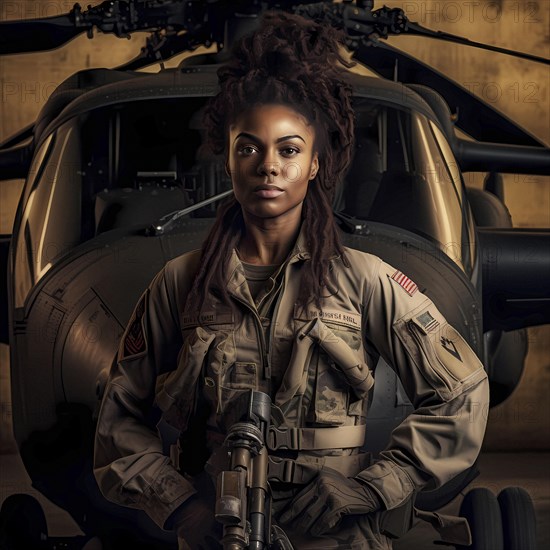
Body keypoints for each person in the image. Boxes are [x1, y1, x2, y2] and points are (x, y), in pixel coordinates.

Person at [93, 11, 489, 550]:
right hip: (218, 534)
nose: (268, 167)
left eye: (289, 149)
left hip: (334, 535)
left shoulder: (363, 280)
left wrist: (374, 489)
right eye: (249, 147)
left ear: (316, 165)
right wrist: (181, 505)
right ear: (228, 160)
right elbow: (118, 420)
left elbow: (461, 392)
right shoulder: (180, 283)